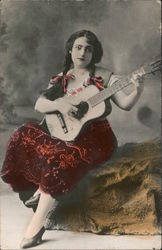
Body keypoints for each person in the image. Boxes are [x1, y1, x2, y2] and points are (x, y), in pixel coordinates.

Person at [1, 30, 144, 248]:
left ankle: (36, 225)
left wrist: (138, 86)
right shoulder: (63, 77)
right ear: (70, 49)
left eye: (89, 48)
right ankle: (41, 190)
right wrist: (61, 104)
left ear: (94, 53)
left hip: (96, 140)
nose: (83, 52)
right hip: (68, 134)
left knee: (59, 158)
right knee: (23, 133)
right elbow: (40, 104)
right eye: (78, 47)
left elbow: (126, 104)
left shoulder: (106, 77)